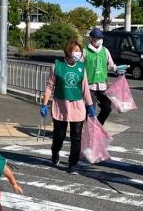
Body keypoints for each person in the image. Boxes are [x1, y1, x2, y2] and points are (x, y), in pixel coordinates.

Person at [40, 38, 95, 175]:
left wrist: (90, 105)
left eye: (79, 51)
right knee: (59, 135)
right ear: (68, 51)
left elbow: (85, 88)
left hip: (77, 106)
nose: (78, 53)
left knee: (76, 136)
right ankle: (55, 151)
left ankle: (73, 164)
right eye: (75, 50)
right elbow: (49, 86)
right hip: (60, 106)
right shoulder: (57, 66)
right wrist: (44, 104)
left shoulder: (81, 67)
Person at [84, 27, 123, 125]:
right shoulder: (85, 52)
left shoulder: (105, 50)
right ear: (91, 38)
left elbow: (111, 66)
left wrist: (118, 69)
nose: (99, 40)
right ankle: (90, 131)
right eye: (97, 38)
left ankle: (98, 127)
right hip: (89, 86)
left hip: (102, 86)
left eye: (100, 38)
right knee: (90, 111)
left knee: (107, 109)